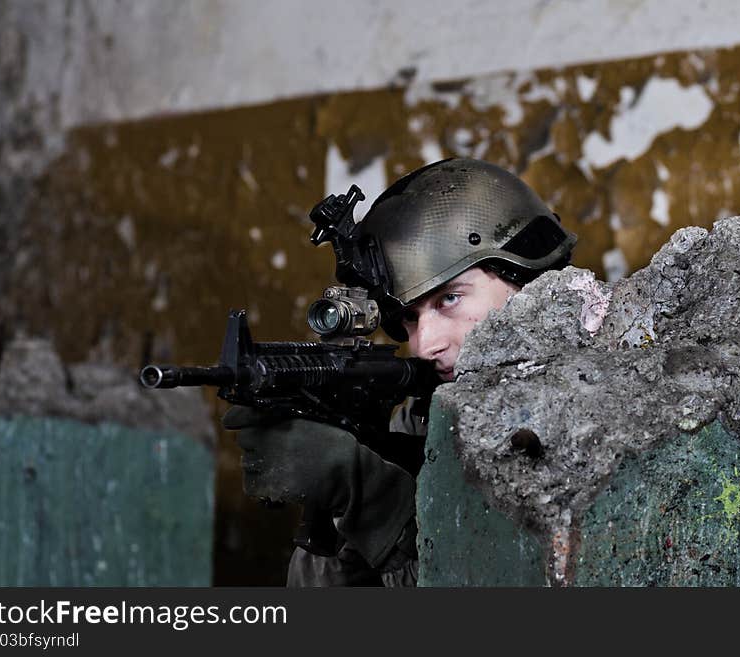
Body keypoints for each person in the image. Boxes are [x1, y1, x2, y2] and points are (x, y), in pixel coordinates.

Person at [222, 158, 576, 586]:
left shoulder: (610, 402)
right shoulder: (422, 417)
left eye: (449, 299)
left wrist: (376, 503)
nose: (425, 344)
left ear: (529, 280)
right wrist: (341, 490)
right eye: (408, 318)